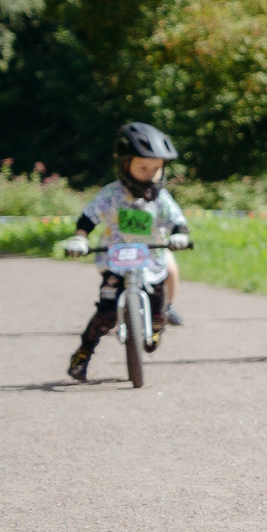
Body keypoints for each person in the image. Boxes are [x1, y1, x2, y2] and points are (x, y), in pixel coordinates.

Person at [61, 122, 192, 383]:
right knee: (105, 314)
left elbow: (176, 219)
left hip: (150, 261)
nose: (150, 174)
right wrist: (79, 238)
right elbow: (89, 217)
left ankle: (155, 329)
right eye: (143, 167)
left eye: (156, 168)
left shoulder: (160, 197)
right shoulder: (111, 195)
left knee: (159, 310)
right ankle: (83, 353)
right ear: (124, 164)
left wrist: (180, 234)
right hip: (116, 262)